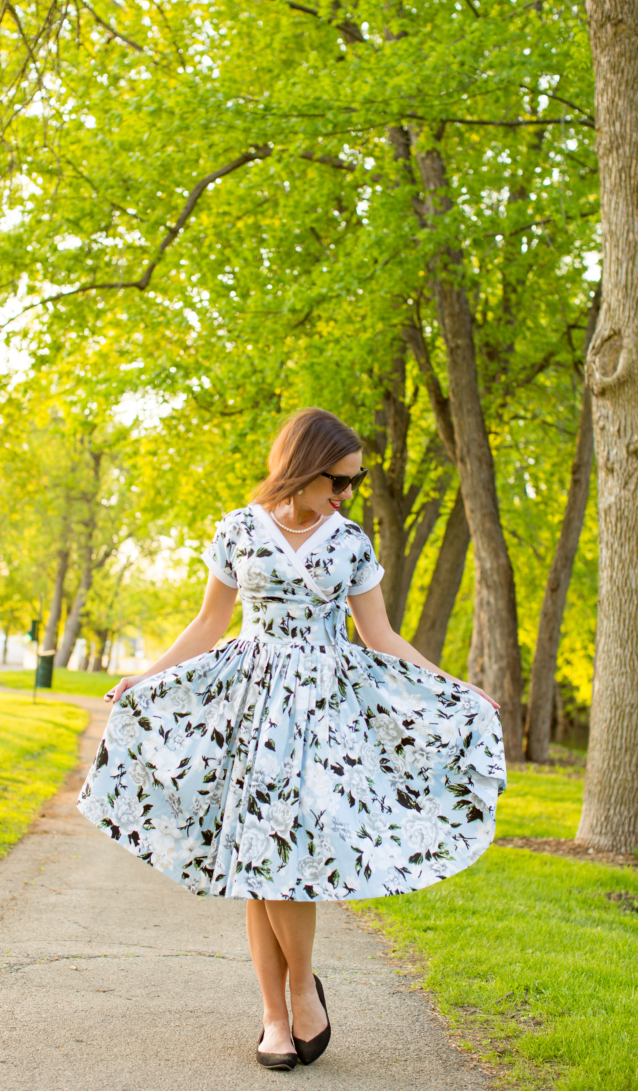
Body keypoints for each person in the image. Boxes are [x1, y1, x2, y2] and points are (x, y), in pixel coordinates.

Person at [78, 408, 506, 1071]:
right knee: (261, 854)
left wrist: (453, 688)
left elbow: (380, 637)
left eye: (355, 482)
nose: (346, 492)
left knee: (295, 850)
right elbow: (209, 622)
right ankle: (278, 1015)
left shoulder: (352, 542)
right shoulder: (238, 530)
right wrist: (148, 676)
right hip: (253, 705)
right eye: (338, 479)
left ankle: (301, 988)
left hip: (325, 715)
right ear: (302, 467)